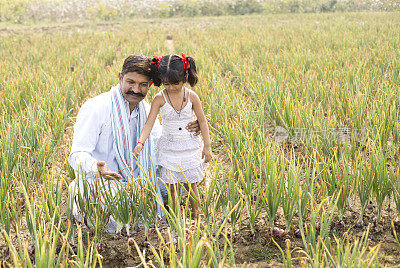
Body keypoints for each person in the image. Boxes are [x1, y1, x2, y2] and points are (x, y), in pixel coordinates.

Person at [68, 54, 200, 233]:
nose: (136, 89)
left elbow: (161, 142)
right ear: (120, 77)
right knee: (112, 207)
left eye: (143, 85)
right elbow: (77, 154)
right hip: (103, 180)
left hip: (137, 178)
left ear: (150, 86)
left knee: (174, 183)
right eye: (130, 82)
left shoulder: (146, 109)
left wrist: (188, 128)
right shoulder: (96, 107)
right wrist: (95, 167)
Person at [134, 54, 212, 220]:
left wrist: (207, 146)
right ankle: (175, 220)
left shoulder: (192, 97)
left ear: (185, 77)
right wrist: (141, 142)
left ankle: (197, 218)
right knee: (173, 188)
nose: (171, 88)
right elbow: (149, 123)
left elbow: (203, 122)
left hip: (189, 146)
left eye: (175, 83)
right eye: (166, 84)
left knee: (191, 186)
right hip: (170, 148)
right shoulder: (160, 98)